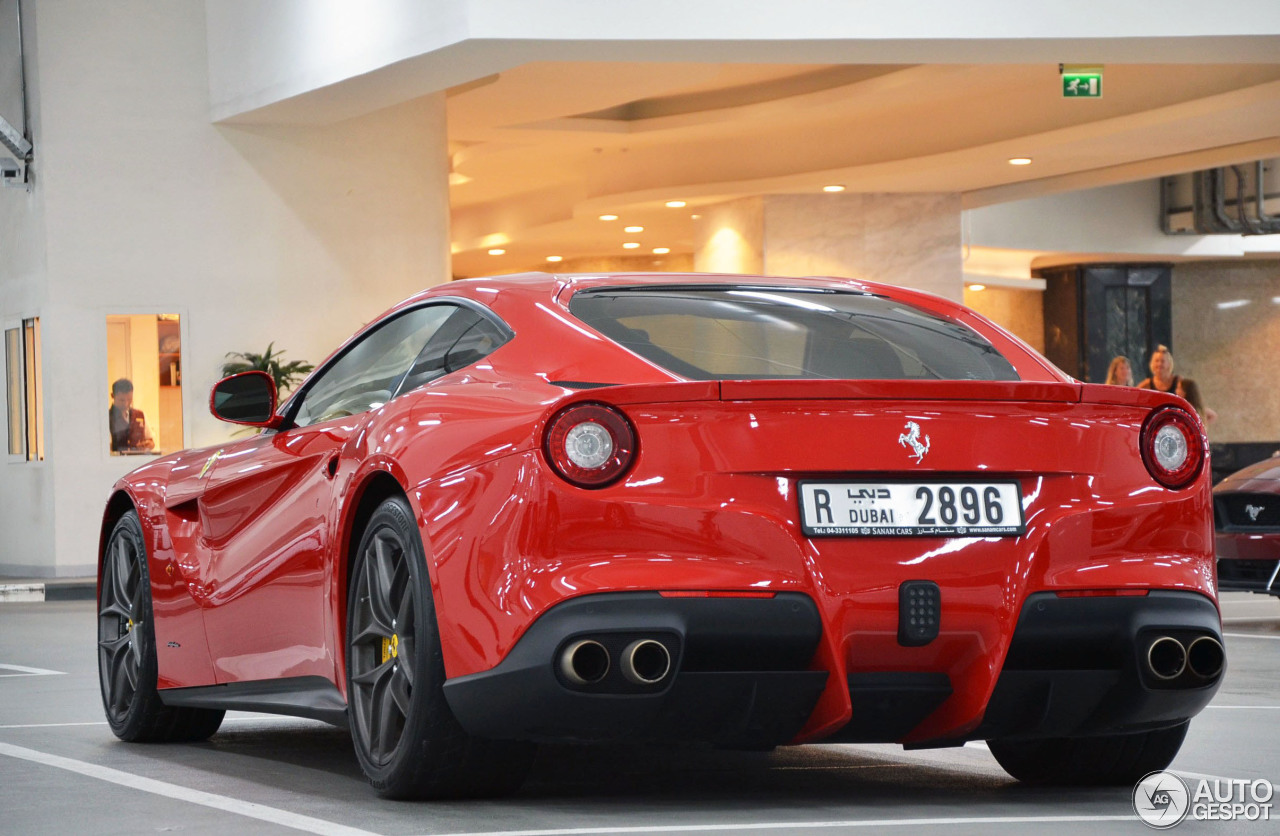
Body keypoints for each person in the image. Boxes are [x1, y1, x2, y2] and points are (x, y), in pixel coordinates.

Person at [1136, 345, 1217, 424]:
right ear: (1152, 364)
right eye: (1157, 361)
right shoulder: (1146, 384)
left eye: (1162, 361)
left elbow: (1191, 398)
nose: (1159, 364)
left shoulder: (1178, 381)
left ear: (1169, 364)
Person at [108, 378, 155, 453]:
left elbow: (151, 441)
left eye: (129, 399)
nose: (126, 403)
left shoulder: (140, 415)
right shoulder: (107, 418)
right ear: (112, 396)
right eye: (122, 400)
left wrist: (148, 445)